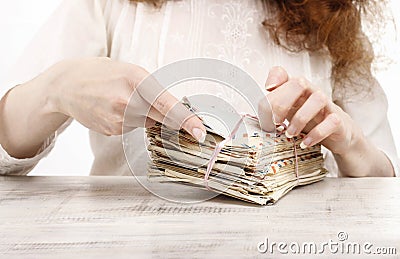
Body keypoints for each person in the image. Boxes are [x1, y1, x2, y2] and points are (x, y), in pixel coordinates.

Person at [0, 0, 398, 177]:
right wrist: (56, 88)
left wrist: (353, 145)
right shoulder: (111, 4)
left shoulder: (327, 13)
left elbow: (386, 183)